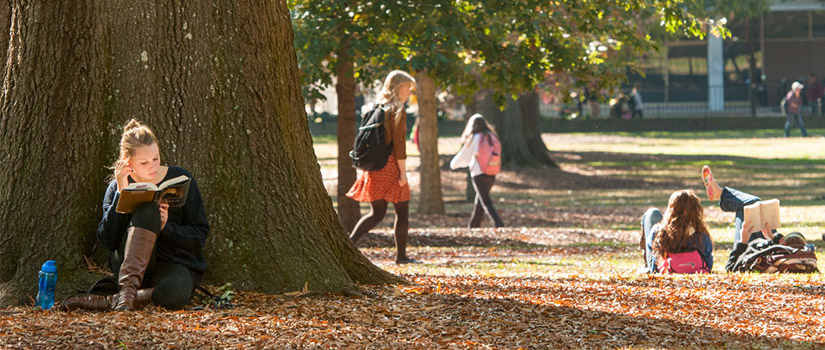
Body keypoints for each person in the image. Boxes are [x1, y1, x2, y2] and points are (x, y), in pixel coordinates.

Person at [62, 119, 209, 311]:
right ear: (128, 162)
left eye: (156, 158)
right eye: (144, 162)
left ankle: (117, 299)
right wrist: (121, 194)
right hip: (127, 264)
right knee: (147, 210)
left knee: (175, 294)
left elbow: (200, 233)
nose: (153, 166)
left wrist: (166, 228)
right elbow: (107, 241)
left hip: (171, 263)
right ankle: (128, 291)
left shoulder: (180, 179)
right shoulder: (117, 187)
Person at [347, 70, 419, 264]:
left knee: (377, 213)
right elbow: (399, 145)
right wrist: (403, 174)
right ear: (398, 87)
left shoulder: (376, 107)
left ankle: (348, 245)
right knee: (402, 212)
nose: (408, 93)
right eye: (407, 88)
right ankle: (401, 257)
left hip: (373, 167)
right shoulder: (397, 110)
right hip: (390, 167)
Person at [449, 114, 505, 228]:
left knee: (486, 202)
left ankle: (499, 224)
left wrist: (453, 164)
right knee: (480, 200)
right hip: (492, 171)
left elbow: (464, 155)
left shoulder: (475, 138)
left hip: (479, 173)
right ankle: (474, 225)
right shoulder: (491, 136)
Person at [640, 190, 713, 273]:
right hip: (695, 269)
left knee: (652, 214)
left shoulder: (659, 231)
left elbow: (655, 264)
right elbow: (708, 264)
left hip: (664, 270)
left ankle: (646, 265)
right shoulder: (702, 234)